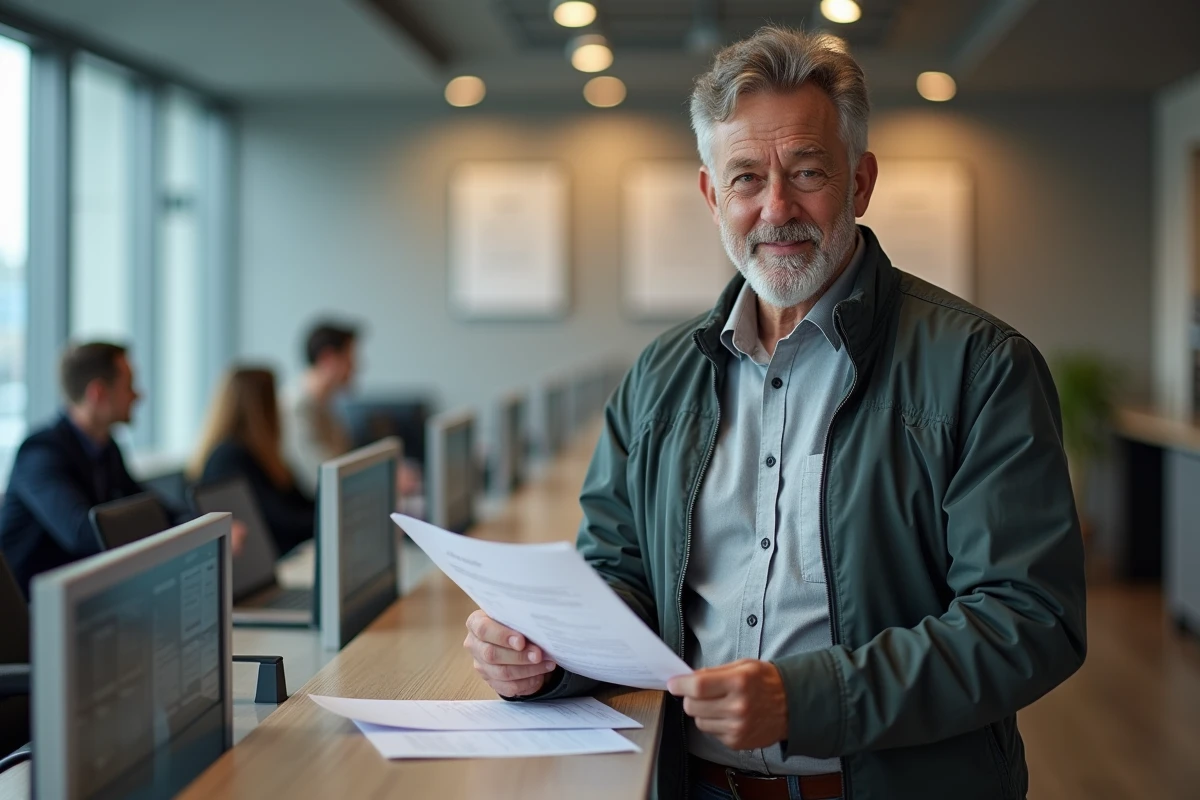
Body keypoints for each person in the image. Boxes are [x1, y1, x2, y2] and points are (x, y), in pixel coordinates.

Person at [463, 27, 1086, 800]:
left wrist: (809, 699)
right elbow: (620, 574)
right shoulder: (661, 376)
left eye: (808, 171)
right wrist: (546, 652)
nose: (776, 207)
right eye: (747, 177)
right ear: (710, 194)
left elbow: (1028, 620)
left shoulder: (982, 367)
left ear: (860, 182)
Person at [0, 343, 169, 597]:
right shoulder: (40, 452)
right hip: (26, 612)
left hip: (77, 600)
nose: (138, 396)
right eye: (129, 386)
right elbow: (81, 532)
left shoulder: (106, 447)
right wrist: (163, 528)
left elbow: (144, 501)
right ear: (98, 393)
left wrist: (196, 522)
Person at [189, 367, 314, 556]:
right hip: (271, 561)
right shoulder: (230, 457)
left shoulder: (261, 453)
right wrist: (333, 517)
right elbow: (280, 520)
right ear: (263, 406)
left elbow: (300, 502)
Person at [280, 320, 358, 496]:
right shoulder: (296, 408)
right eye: (350, 358)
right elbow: (319, 478)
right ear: (328, 358)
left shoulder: (326, 406)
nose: (356, 367)